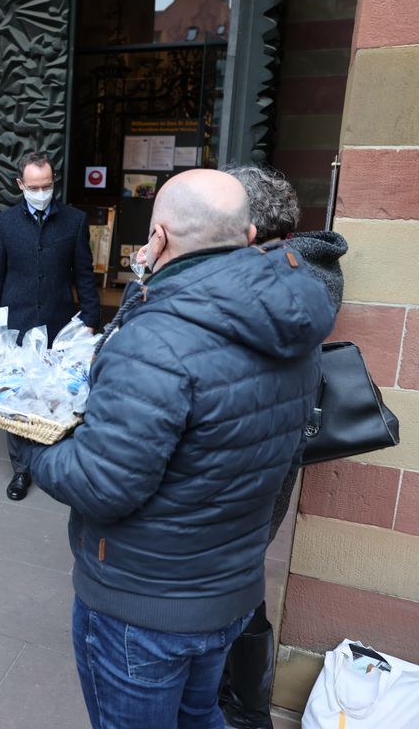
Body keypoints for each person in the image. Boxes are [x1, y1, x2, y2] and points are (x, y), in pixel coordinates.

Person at [20, 169, 336, 728]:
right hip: (230, 588)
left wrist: (34, 444)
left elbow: (101, 484)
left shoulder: (156, 338)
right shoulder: (297, 325)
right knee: (200, 714)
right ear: (248, 235)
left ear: (158, 237)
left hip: (144, 602)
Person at [217, 164, 347, 729]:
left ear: (245, 228)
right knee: (240, 572)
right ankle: (241, 701)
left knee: (234, 576)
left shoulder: (278, 282)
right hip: (261, 449)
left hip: (252, 455)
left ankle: (243, 706)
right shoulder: (294, 270)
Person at [0, 150, 100, 501]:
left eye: (46, 185)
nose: (41, 192)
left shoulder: (74, 221)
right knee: (17, 396)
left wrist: (90, 320)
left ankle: (53, 461)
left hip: (59, 323)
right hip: (16, 325)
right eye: (34, 187)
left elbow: (84, 274)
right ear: (20, 184)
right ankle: (22, 470)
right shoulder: (3, 224)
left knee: (56, 394)